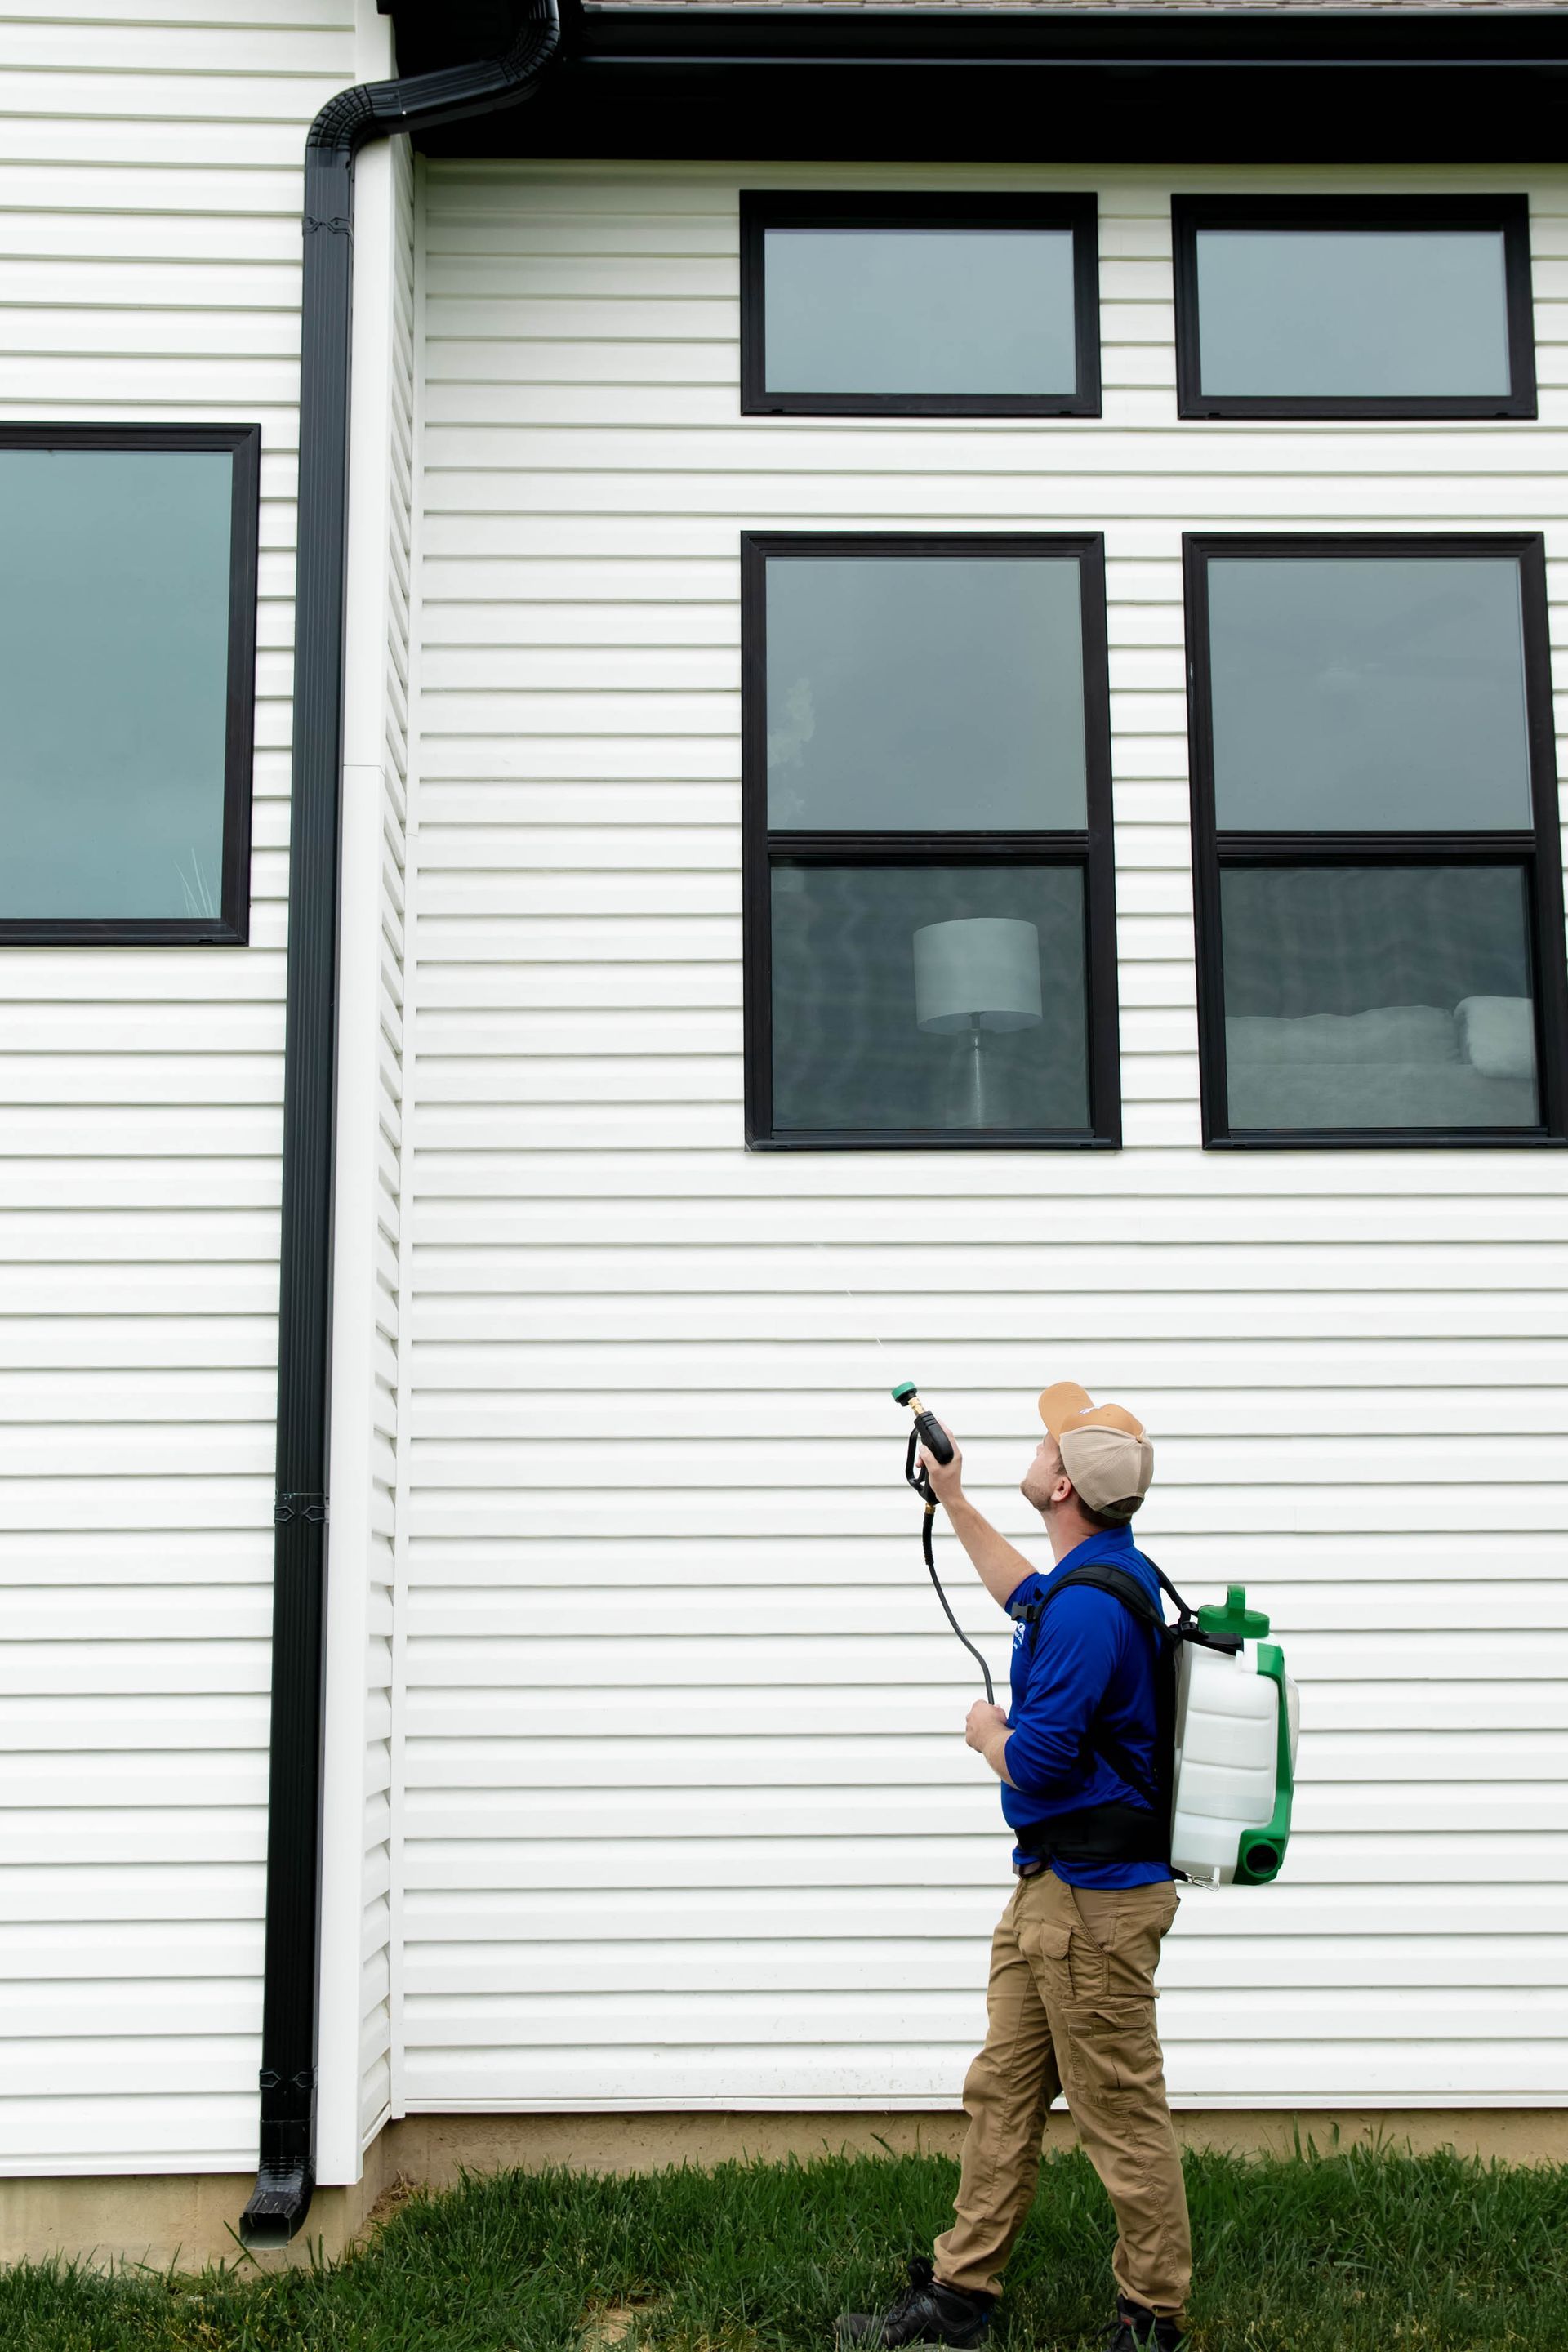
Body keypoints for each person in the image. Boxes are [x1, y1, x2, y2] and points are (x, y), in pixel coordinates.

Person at [836, 1383, 1189, 2352]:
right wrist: (952, 1497)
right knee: (1004, 2091)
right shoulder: (1099, 1575)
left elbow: (1040, 1760)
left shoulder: (1087, 1618)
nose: (1032, 1451)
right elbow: (1019, 1592)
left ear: (1064, 1483)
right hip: (1053, 1896)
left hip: (1094, 1912)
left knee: (1119, 2115)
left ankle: (1152, 2322)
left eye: (1044, 1445)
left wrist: (990, 1734)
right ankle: (961, 2298)